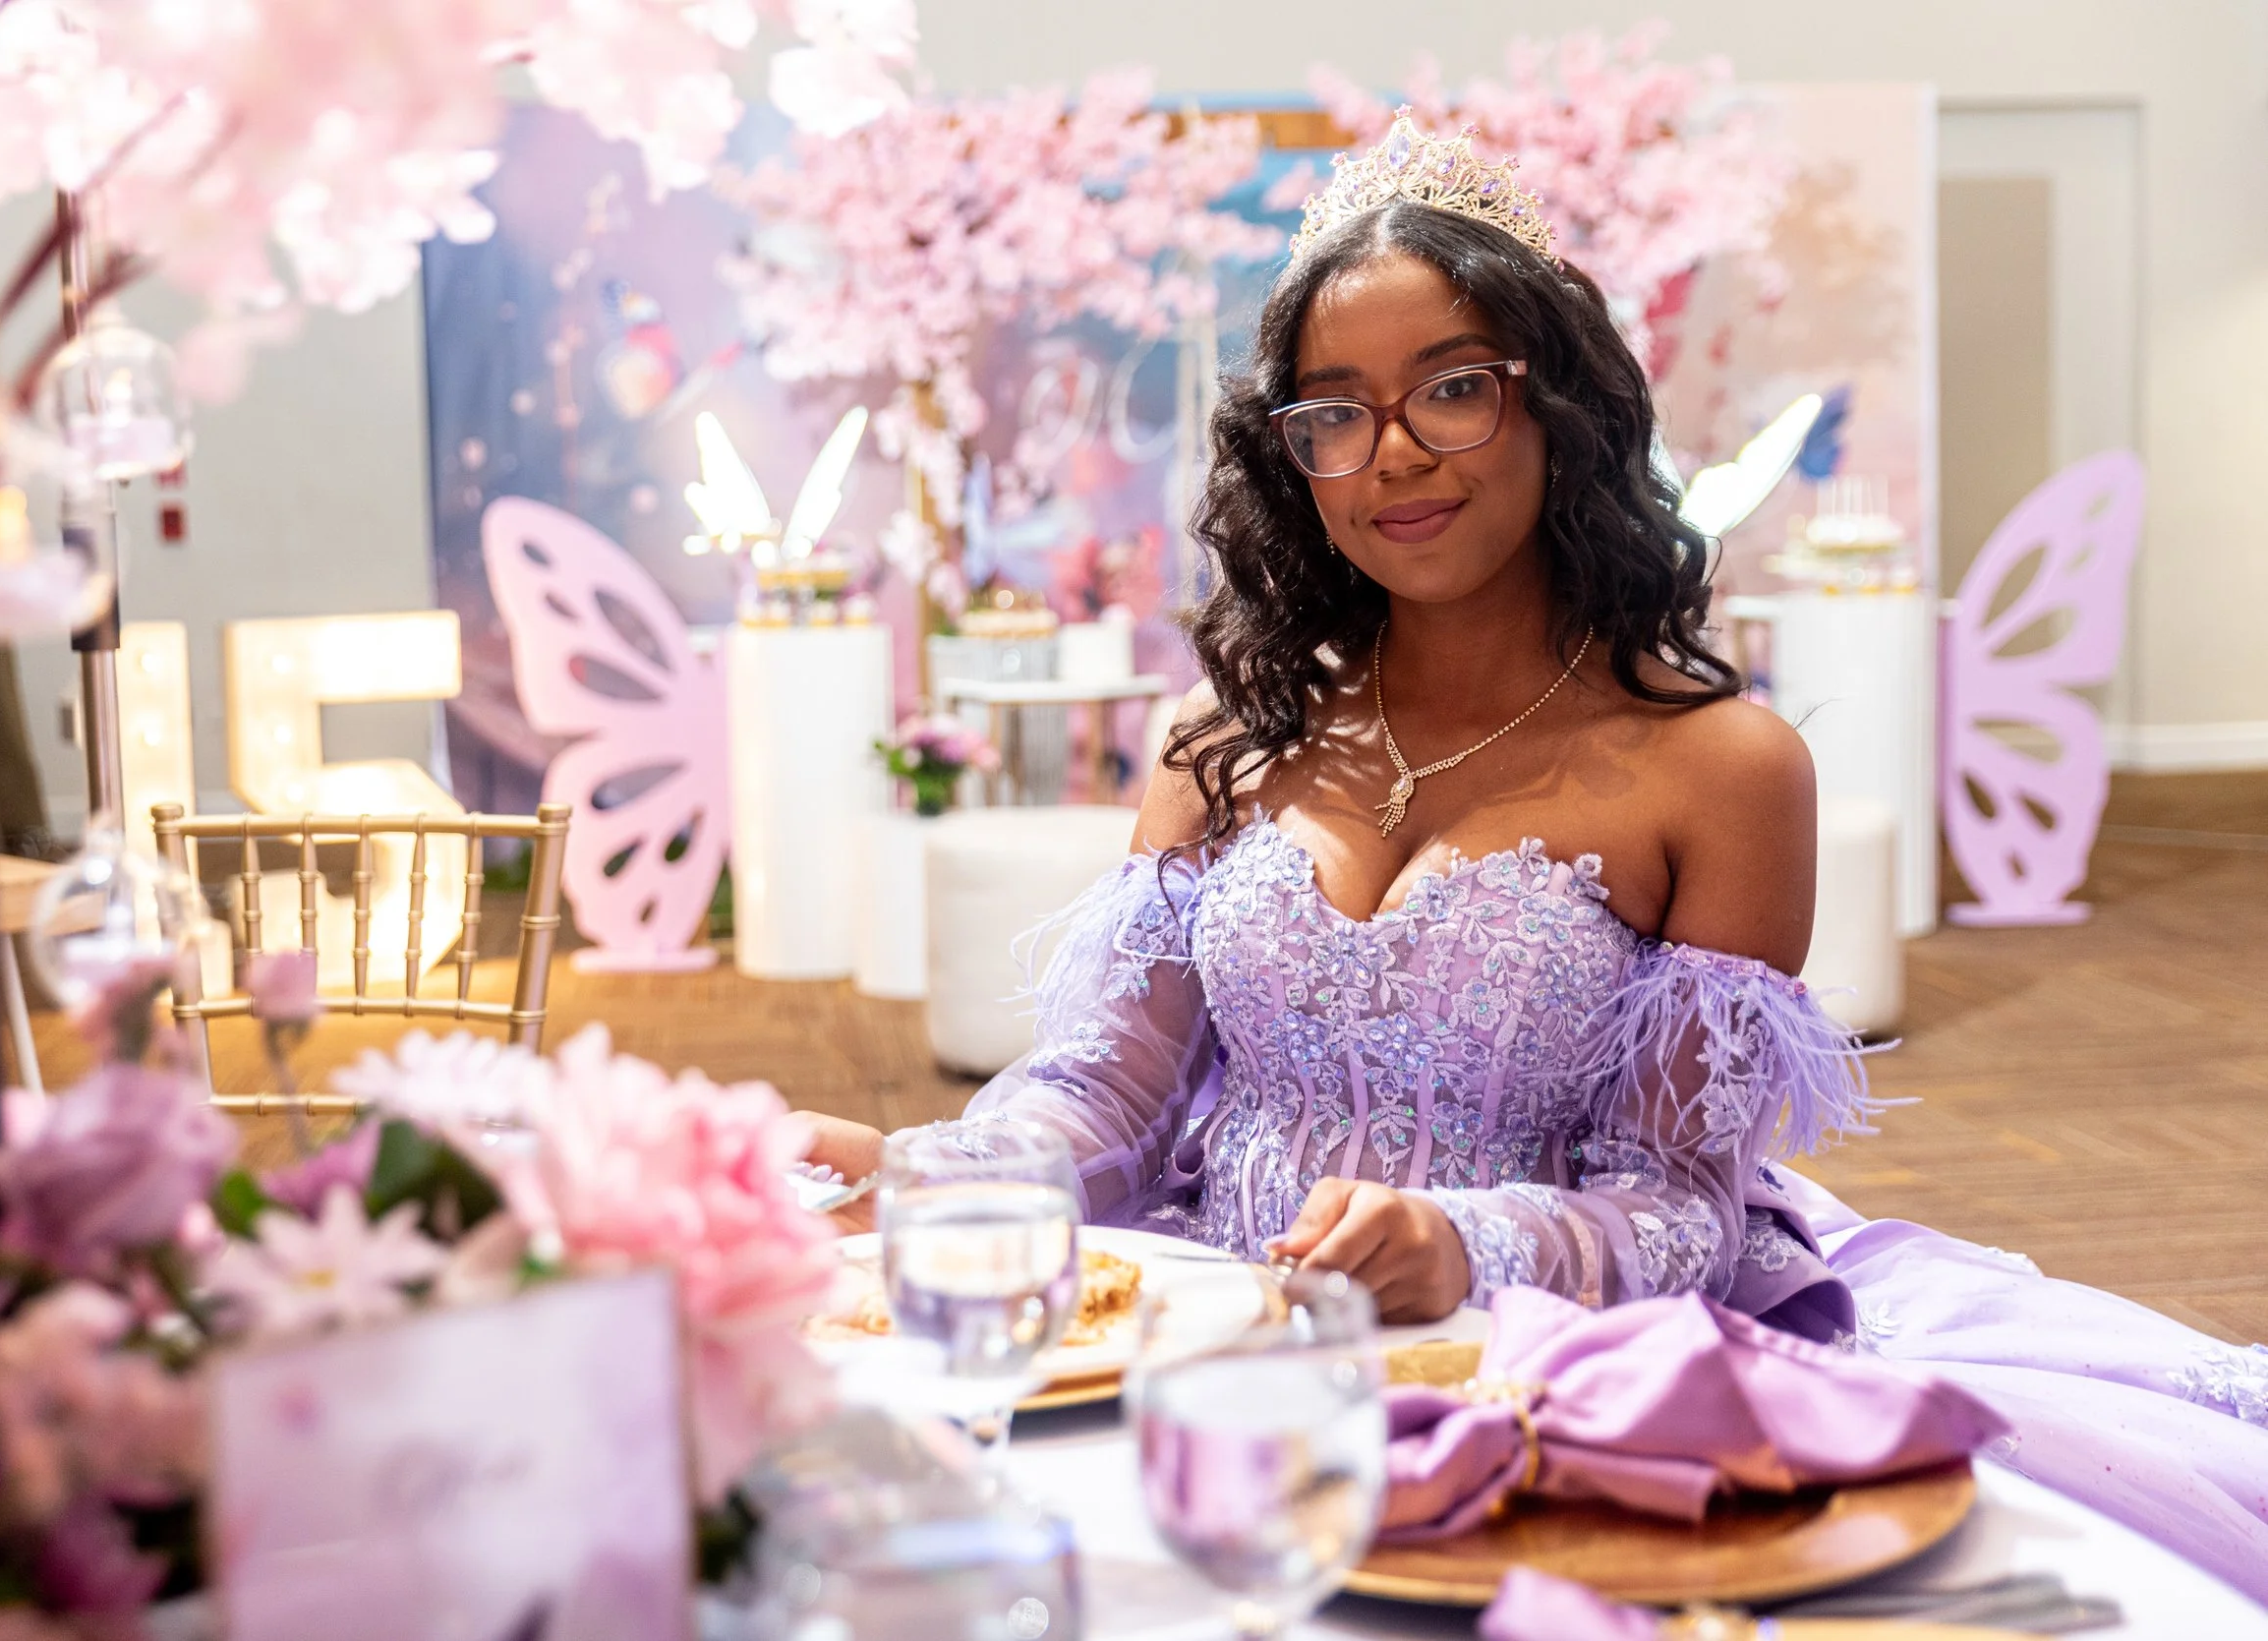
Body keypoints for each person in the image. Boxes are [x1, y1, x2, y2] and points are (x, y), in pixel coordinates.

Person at [799, 115, 2268, 1600]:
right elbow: (1111, 1091)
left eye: (1454, 390)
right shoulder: (1225, 733)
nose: (1394, 456)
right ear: (1291, 451)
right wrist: (933, 1172)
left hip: (1572, 1378)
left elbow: (1683, 1206)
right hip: (1231, 1353)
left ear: (1557, 405)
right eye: (1336, 412)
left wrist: (1466, 1247)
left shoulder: (1723, 769)